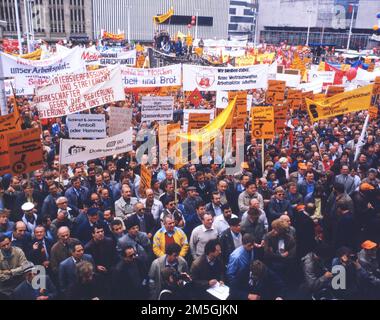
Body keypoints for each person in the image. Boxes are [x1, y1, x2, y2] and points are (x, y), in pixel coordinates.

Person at [0, 234, 28, 299]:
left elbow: (25, 267)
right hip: (5, 285)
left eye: (8, 244)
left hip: (20, 282)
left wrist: (10, 272)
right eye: (3, 245)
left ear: (11, 242)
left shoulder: (18, 251)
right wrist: (11, 276)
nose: (6, 246)